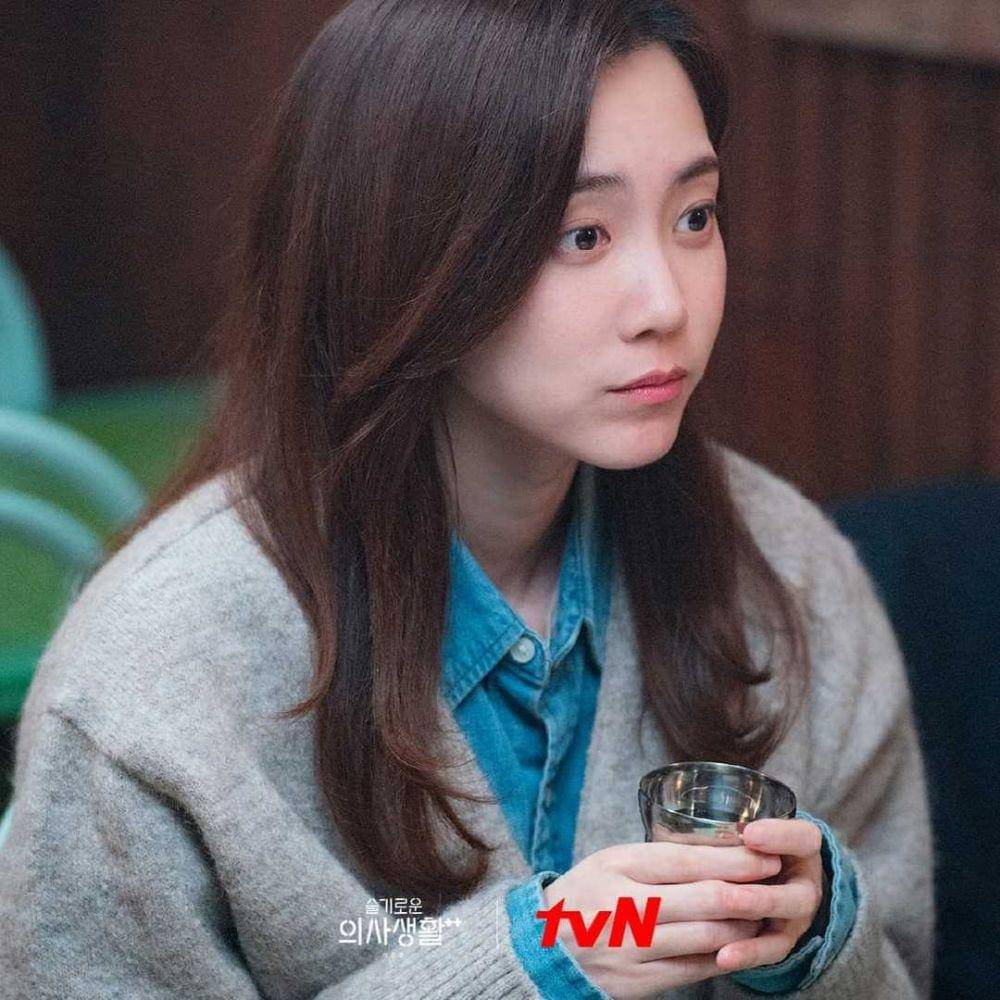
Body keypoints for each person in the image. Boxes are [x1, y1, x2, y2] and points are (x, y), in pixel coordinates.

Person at [0, 1, 934, 997]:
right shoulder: (151, 678)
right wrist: (540, 959)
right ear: (402, 252)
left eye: (694, 216)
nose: (667, 303)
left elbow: (902, 970)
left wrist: (814, 942)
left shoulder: (787, 572)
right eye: (583, 234)